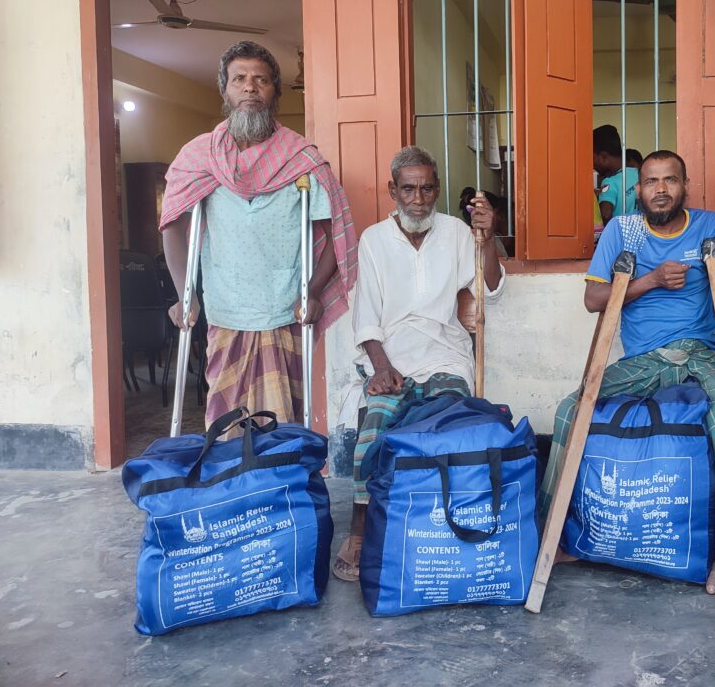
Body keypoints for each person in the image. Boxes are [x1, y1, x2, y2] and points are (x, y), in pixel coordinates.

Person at [541, 150, 715, 595]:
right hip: (644, 361)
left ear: (685, 186)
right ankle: (554, 535)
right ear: (637, 189)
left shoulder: (709, 227)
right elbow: (594, 301)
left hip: (700, 354)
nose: (661, 189)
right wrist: (653, 280)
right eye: (651, 181)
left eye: (670, 180)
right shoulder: (622, 232)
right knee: (569, 410)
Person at [160, 41, 357, 427]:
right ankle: (234, 481)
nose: (250, 87)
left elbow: (334, 233)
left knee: (283, 418)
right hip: (224, 308)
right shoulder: (199, 158)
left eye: (261, 80)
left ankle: (279, 481)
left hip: (284, 307)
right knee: (226, 418)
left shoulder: (301, 158)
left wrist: (313, 291)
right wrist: (186, 292)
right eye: (239, 79)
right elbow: (172, 225)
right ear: (225, 90)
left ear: (274, 93)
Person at [333, 146, 505, 581]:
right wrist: (381, 367)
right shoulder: (374, 240)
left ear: (438, 190)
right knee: (376, 423)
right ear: (393, 190)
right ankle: (358, 529)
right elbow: (366, 316)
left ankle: (443, 517)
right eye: (408, 189)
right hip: (392, 356)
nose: (418, 198)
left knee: (450, 422)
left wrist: (489, 236)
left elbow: (492, 287)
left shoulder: (455, 232)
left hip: (446, 353)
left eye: (427, 188)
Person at [595, 124, 639, 223]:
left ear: (603, 157)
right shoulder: (639, 173)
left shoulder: (609, 182)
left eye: (592, 158)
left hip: (621, 235)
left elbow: (605, 214)